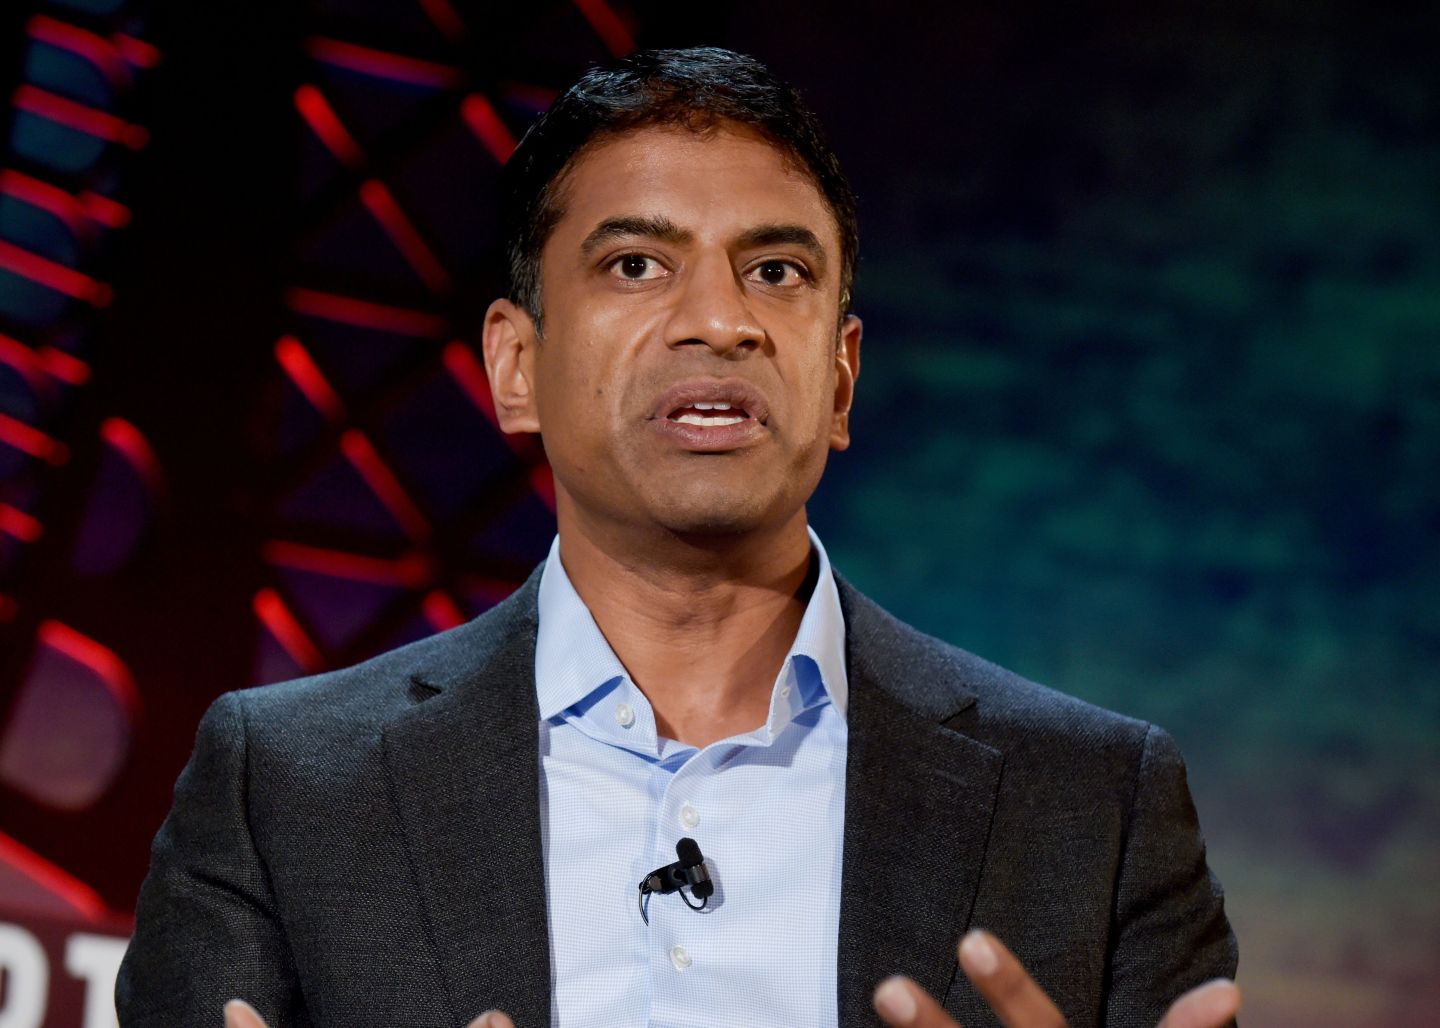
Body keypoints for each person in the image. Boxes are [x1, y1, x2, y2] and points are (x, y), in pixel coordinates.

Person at [116, 47, 1239, 1028]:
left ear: (840, 377)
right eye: (637, 264)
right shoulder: (283, 788)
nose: (720, 318)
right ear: (515, 366)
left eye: (777, 271)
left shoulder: (1099, 804)